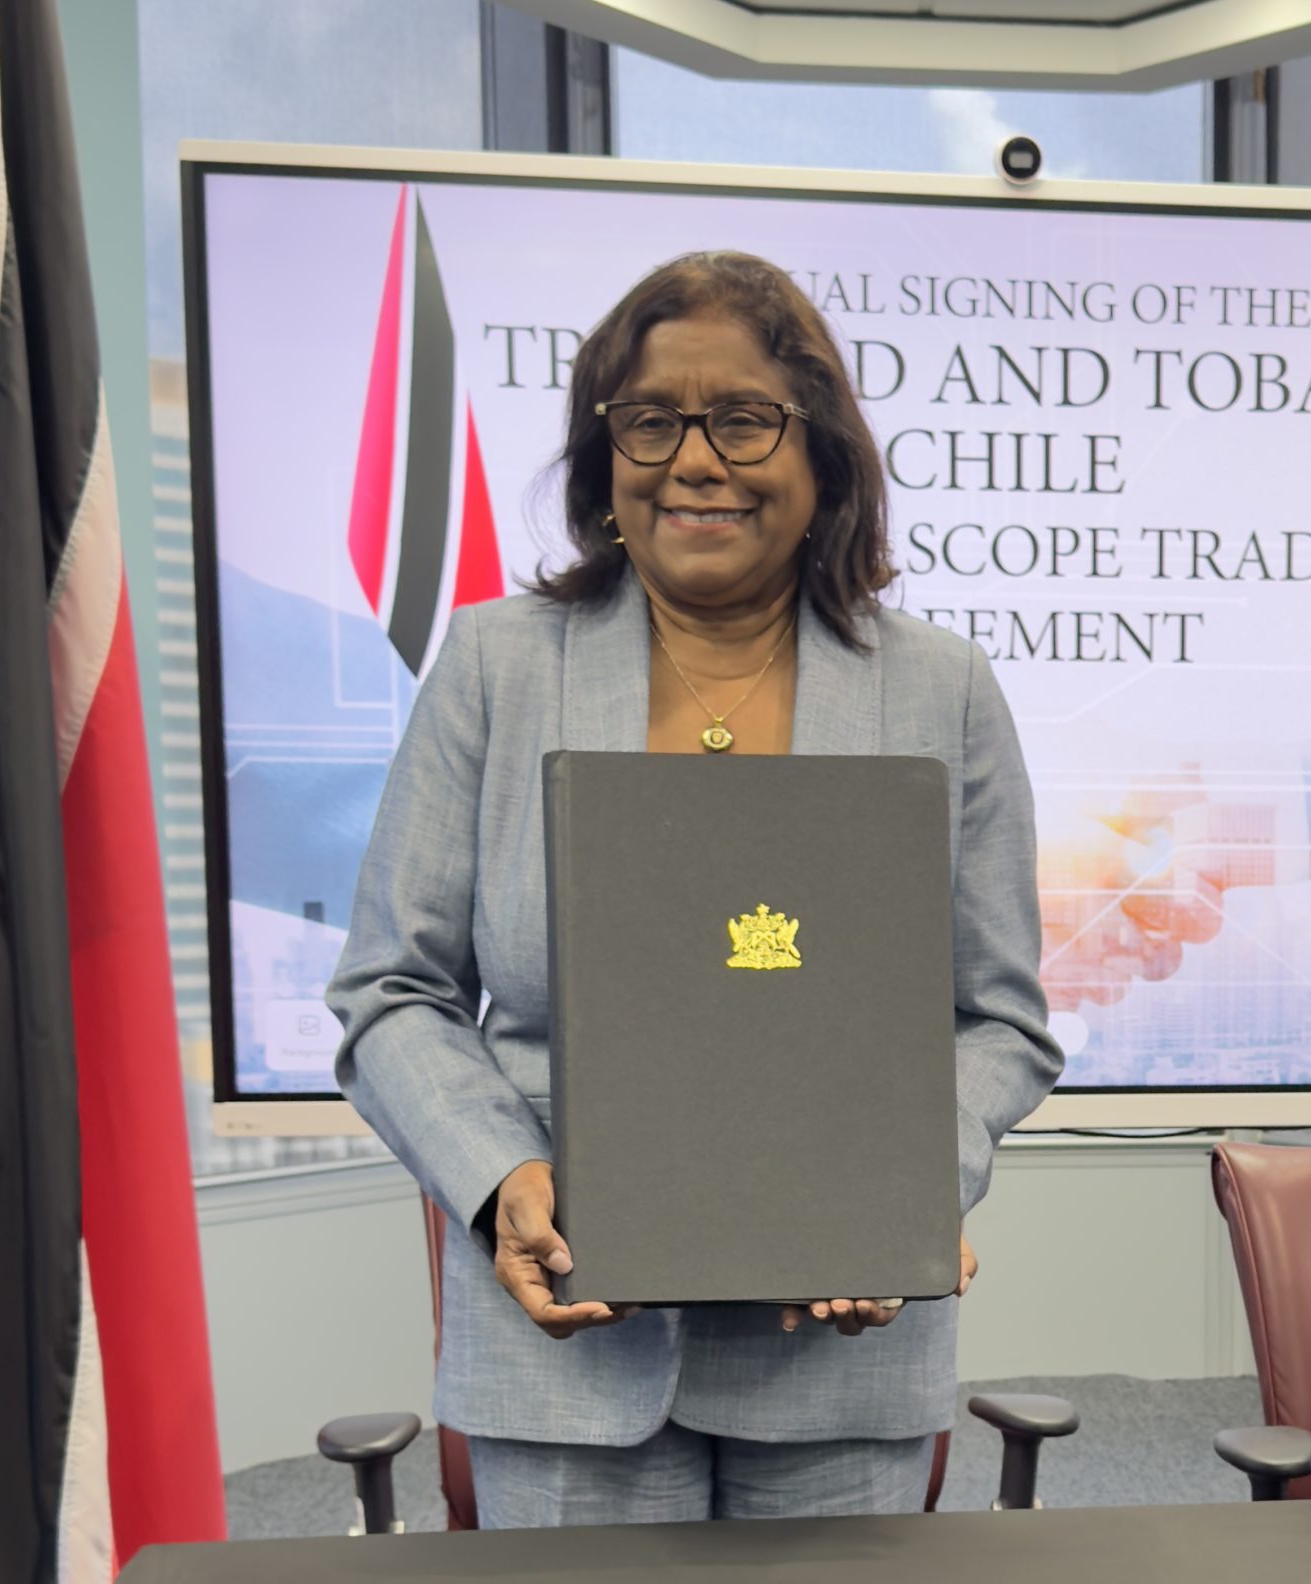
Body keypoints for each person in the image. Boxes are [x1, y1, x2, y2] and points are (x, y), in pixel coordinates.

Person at [327, 251, 1062, 1526]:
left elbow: (1001, 1017)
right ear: (604, 458)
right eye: (651, 421)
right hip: (567, 1351)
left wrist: (903, 1186)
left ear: (823, 457)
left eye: (742, 420)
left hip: (840, 1358)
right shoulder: (499, 666)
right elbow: (391, 989)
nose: (695, 461)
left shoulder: (938, 689)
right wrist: (502, 1178)